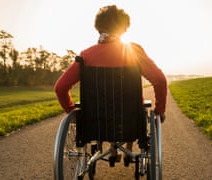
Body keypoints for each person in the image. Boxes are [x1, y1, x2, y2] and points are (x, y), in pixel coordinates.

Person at [55, 4, 167, 166]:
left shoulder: (85, 56)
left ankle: (110, 149)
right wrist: (160, 110)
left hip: (95, 122)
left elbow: (60, 88)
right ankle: (126, 147)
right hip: (131, 120)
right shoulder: (133, 52)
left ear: (99, 28)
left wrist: (72, 112)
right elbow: (160, 80)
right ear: (123, 28)